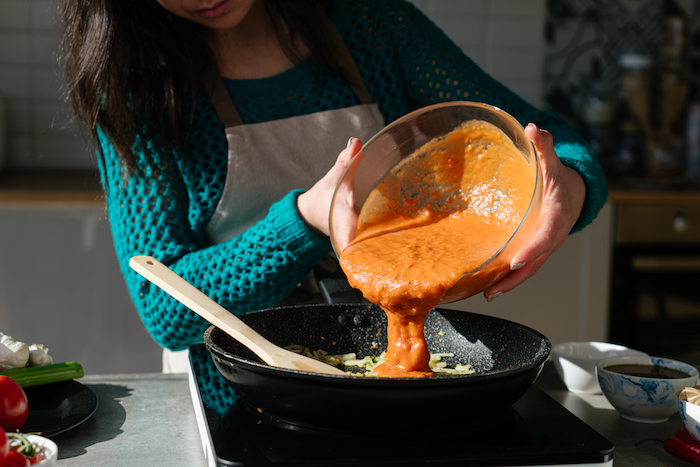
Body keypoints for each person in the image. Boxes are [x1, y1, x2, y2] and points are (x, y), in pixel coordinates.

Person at [61, 0, 608, 372]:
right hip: (241, 390)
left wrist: (570, 187)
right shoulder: (135, 88)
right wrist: (303, 221)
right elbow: (164, 308)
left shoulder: (369, 23)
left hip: (392, 360)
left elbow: (546, 140)